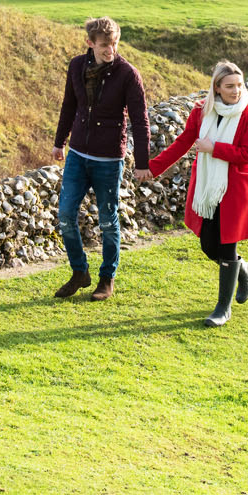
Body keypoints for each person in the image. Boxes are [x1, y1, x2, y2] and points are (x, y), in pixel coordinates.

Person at [148, 61, 248, 326]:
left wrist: (214, 148)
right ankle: (244, 269)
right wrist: (153, 167)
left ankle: (223, 308)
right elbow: (184, 141)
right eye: (229, 86)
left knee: (227, 243)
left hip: (235, 188)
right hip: (208, 187)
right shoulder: (202, 109)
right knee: (209, 246)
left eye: (239, 85)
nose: (236, 91)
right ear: (217, 88)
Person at [51, 16, 151, 301]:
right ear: (90, 43)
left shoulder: (128, 74)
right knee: (66, 215)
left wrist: (142, 162)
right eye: (105, 45)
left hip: (109, 160)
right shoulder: (76, 66)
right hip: (77, 155)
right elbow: (69, 105)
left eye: (115, 44)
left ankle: (107, 279)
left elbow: (141, 121)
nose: (111, 51)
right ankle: (80, 271)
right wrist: (59, 143)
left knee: (108, 220)